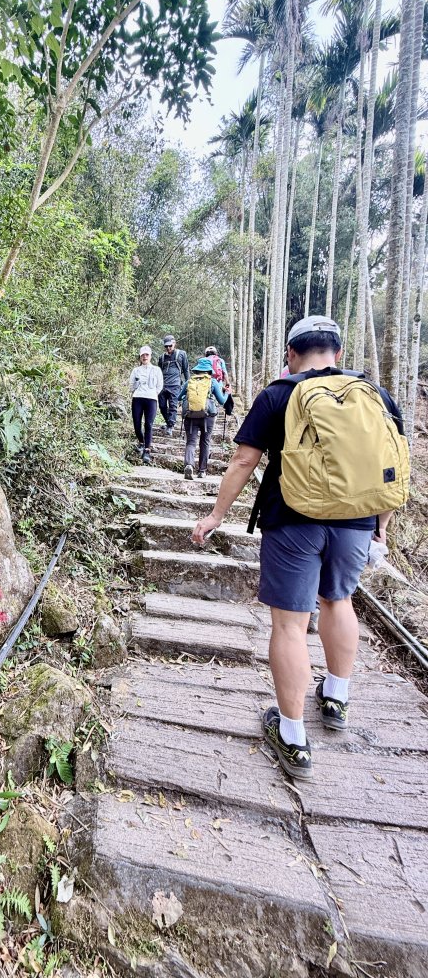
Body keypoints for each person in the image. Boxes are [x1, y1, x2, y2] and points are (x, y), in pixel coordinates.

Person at [191, 315, 409, 781]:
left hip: (292, 521)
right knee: (339, 600)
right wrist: (380, 529)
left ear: (291, 353)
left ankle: (293, 738)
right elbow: (392, 469)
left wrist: (215, 516)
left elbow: (244, 460)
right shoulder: (375, 394)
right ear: (339, 353)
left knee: (290, 625)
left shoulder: (279, 394)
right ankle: (335, 698)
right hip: (357, 522)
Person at [178, 357, 232, 479]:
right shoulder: (212, 382)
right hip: (208, 417)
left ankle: (189, 465)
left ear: (197, 370)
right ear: (209, 371)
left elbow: (178, 398)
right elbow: (222, 401)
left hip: (191, 415)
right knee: (205, 442)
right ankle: (202, 471)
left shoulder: (189, 382)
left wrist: (188, 398)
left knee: (191, 442)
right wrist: (227, 393)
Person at [129, 345, 164, 464]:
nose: (145, 357)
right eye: (142, 355)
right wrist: (137, 386)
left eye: (147, 355)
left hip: (151, 399)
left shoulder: (156, 370)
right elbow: (131, 386)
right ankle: (141, 441)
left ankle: (147, 450)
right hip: (137, 398)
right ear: (140, 357)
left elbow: (159, 385)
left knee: (148, 424)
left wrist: (153, 393)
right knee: (137, 424)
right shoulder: (136, 370)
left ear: (150, 356)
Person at [157, 335, 190, 435]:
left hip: (175, 385)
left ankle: (170, 426)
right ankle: (168, 423)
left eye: (170, 346)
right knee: (162, 406)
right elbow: (159, 372)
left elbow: (186, 370)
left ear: (174, 344)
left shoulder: (181, 354)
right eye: (166, 346)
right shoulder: (162, 357)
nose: (168, 348)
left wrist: (188, 384)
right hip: (162, 386)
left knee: (173, 406)